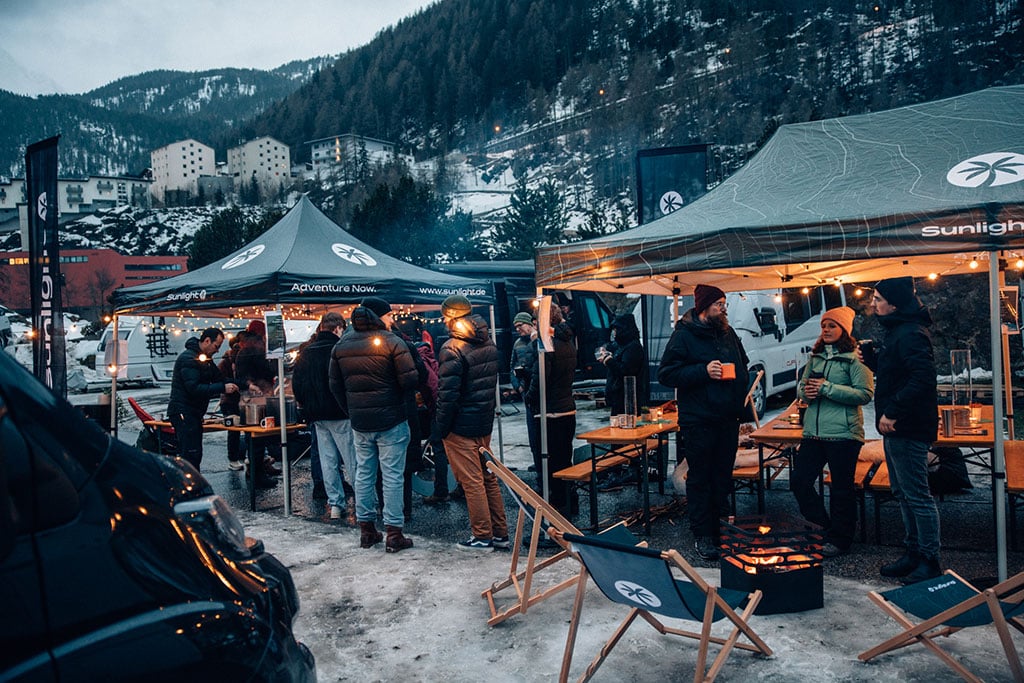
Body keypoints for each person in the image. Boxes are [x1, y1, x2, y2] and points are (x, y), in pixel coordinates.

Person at [657, 284, 750, 561]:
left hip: (727, 417)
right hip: (698, 418)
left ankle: (722, 528)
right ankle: (703, 534)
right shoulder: (683, 336)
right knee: (701, 477)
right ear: (703, 306)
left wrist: (740, 407)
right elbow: (666, 374)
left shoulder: (727, 333)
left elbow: (743, 365)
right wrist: (703, 370)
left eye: (724, 303)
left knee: (722, 475)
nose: (723, 308)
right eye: (718, 303)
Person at [860, 276, 941, 584]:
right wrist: (874, 361)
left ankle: (929, 559)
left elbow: (922, 379)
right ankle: (913, 552)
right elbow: (898, 373)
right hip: (897, 427)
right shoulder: (899, 330)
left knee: (917, 495)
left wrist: (893, 411)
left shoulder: (910, 333)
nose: (873, 303)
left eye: (878, 299)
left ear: (893, 304)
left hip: (908, 426)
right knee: (903, 493)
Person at [329, 297, 419, 553]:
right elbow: (411, 379)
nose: (392, 320)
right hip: (391, 420)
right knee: (392, 475)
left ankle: (367, 529)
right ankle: (394, 533)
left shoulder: (342, 344)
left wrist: (352, 410)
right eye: (389, 316)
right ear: (378, 317)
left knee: (363, 473)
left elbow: (334, 385)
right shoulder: (392, 342)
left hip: (360, 422)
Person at [790, 306, 874, 557]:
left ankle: (841, 538)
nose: (826, 330)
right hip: (814, 433)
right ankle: (823, 527)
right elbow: (801, 388)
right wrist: (807, 392)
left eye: (832, 326)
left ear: (844, 330)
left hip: (844, 435)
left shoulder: (855, 360)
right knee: (799, 481)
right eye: (824, 326)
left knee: (841, 488)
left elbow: (865, 394)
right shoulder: (815, 358)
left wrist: (827, 389)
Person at [434, 294, 509, 551]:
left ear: (451, 316)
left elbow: (447, 395)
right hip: (483, 421)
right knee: (488, 477)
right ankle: (499, 533)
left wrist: (441, 429)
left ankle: (482, 536)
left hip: (460, 426)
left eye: (445, 315)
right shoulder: (487, 341)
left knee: (472, 481)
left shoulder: (451, 347)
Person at [292, 312, 355, 522]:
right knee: (351, 459)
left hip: (316, 414)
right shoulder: (338, 350)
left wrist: (305, 407)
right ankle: (365, 501)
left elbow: (297, 384)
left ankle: (335, 504)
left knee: (328, 461)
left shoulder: (306, 352)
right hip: (339, 412)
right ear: (338, 327)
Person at [523, 302, 577, 518]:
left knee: (549, 463)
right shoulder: (568, 341)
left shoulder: (547, 345)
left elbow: (540, 379)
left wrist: (528, 397)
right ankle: (569, 505)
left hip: (550, 411)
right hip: (567, 409)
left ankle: (554, 513)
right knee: (565, 459)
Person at [166, 327, 238, 471]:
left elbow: (220, 378)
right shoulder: (189, 359)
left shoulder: (205, 360)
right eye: (216, 346)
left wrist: (244, 384)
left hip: (192, 413)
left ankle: (192, 486)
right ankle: (190, 488)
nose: (217, 351)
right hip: (184, 412)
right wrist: (222, 388)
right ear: (206, 341)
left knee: (194, 453)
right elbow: (194, 389)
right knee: (191, 453)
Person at [599, 313, 648, 416]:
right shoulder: (624, 345)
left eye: (616, 329)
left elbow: (626, 371)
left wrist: (608, 360)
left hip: (627, 400)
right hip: (619, 397)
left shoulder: (633, 347)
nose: (614, 332)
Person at [509, 311, 540, 473]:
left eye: (520, 326)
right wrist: (517, 386)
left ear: (529, 324)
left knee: (540, 428)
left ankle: (543, 461)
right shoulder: (517, 344)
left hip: (537, 390)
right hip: (525, 390)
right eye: (515, 327)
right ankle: (536, 460)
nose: (518, 330)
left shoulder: (540, 341)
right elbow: (511, 366)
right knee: (532, 430)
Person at [217, 331, 246, 471]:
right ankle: (233, 459)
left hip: (244, 400)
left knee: (248, 429)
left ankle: (248, 457)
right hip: (229, 401)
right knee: (233, 430)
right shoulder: (225, 362)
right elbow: (219, 379)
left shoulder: (244, 358)